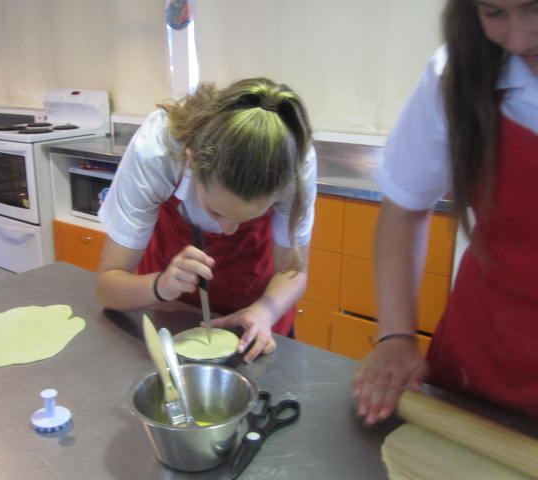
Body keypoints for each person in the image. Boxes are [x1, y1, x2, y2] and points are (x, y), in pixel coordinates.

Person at [353, 0, 538, 425]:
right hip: (476, 359)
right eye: (494, 12)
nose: (518, 39)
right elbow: (404, 208)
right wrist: (396, 337)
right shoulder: (458, 75)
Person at [95, 77, 317, 363]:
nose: (229, 231)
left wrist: (264, 312)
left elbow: (293, 271)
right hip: (170, 312)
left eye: (252, 216)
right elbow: (108, 288)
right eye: (216, 212)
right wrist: (161, 285)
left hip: (255, 312)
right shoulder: (157, 151)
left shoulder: (293, 163)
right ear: (192, 162)